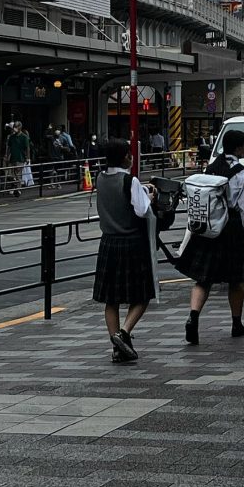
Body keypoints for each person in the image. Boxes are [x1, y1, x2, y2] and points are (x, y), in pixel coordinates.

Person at [177, 129, 244, 345]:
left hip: (208, 229)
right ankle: (236, 323)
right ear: (240, 147)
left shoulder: (211, 168)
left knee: (203, 279)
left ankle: (193, 317)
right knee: (236, 280)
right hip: (231, 229)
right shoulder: (242, 174)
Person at [93, 138, 157, 363]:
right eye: (129, 154)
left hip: (108, 242)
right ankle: (123, 333)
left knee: (111, 299)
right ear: (125, 157)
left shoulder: (99, 178)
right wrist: (148, 197)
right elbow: (141, 211)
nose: (131, 157)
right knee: (142, 294)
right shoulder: (129, 181)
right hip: (131, 242)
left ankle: (117, 347)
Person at [4, 121, 30, 197]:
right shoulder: (12, 137)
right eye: (14, 126)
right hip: (12, 158)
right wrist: (6, 155)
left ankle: (18, 189)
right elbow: (9, 147)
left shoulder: (24, 137)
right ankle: (15, 185)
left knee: (18, 174)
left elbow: (27, 148)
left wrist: (28, 158)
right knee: (11, 175)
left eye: (16, 126)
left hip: (20, 158)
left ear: (20, 127)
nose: (14, 128)